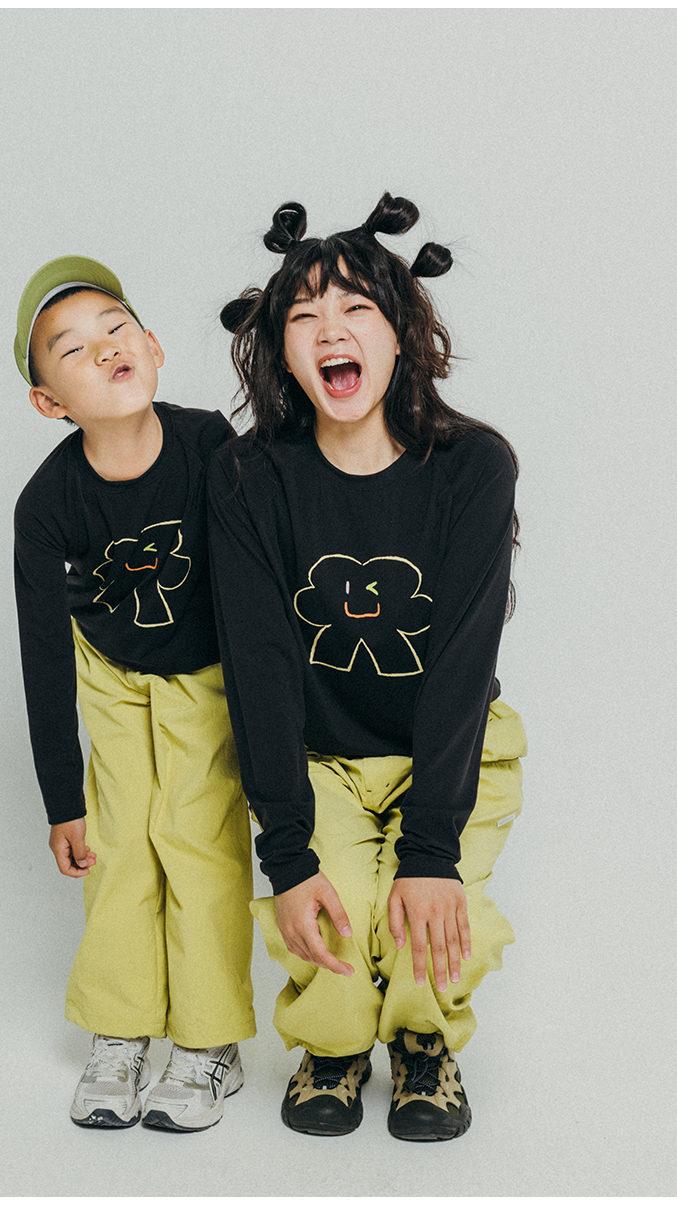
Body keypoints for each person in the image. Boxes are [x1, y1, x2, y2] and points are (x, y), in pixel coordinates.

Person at [207, 194, 527, 1141]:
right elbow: (258, 665)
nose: (330, 331)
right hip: (319, 757)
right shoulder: (248, 477)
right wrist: (288, 849)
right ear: (279, 349)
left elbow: (464, 660)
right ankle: (336, 1048)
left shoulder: (474, 467)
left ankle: (425, 1045)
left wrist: (430, 853)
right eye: (304, 316)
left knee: (430, 917)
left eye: (356, 309)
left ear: (401, 333)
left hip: (452, 747)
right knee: (336, 912)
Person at [13, 256, 255, 1132]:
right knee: (119, 847)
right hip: (111, 671)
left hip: (205, 669)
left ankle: (209, 1042)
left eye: (116, 329)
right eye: (73, 349)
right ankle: (121, 1030)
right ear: (50, 401)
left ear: (152, 346)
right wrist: (61, 800)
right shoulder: (46, 504)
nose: (105, 348)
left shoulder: (209, 445)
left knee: (197, 841)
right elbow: (43, 653)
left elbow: (259, 577)